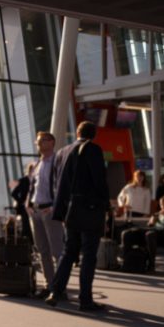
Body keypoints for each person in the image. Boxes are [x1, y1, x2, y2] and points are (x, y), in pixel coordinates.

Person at [45, 121, 109, 312]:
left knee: (68, 251)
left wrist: (61, 209)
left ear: (77, 133)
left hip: (69, 211)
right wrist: (105, 206)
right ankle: (85, 300)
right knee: (89, 254)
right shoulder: (93, 149)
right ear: (94, 134)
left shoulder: (62, 152)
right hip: (89, 209)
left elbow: (54, 182)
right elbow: (99, 180)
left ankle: (55, 291)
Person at [26, 130, 64, 299]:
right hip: (35, 211)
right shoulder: (36, 164)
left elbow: (63, 187)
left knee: (57, 250)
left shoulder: (57, 162)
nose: (39, 144)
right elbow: (32, 186)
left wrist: (55, 206)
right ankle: (50, 285)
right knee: (43, 251)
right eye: (38, 141)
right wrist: (28, 204)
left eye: (42, 141)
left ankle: (60, 287)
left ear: (52, 142)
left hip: (49, 210)